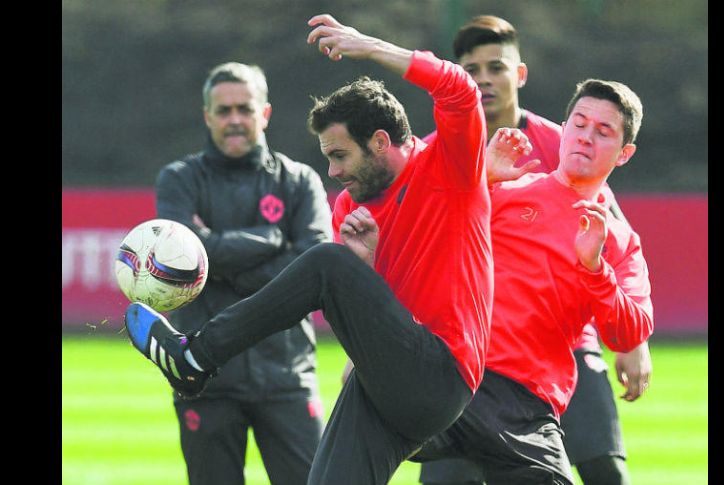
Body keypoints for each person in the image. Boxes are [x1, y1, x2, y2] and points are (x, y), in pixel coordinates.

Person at [124, 14, 493, 485]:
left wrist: (371, 47)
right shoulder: (349, 209)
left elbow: (459, 89)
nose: (334, 172)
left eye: (340, 156)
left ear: (380, 142)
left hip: (442, 373)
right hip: (386, 381)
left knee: (325, 262)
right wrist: (367, 269)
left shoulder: (451, 168)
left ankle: (195, 358)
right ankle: (196, 359)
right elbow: (383, 313)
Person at [417, 16, 652, 485]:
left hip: (561, 347)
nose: (483, 79)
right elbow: (424, 244)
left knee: (604, 468)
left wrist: (634, 342)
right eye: (471, 69)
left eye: (495, 66)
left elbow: (616, 243)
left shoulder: (558, 140)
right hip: (472, 351)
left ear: (518, 74)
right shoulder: (436, 151)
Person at [152, 61, 332, 485]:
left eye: (245, 109)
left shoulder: (299, 180)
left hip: (286, 373)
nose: (235, 120)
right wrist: (272, 241)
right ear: (207, 116)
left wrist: (215, 255)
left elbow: (316, 268)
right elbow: (181, 262)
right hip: (204, 375)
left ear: (264, 113)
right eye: (224, 110)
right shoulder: (179, 180)